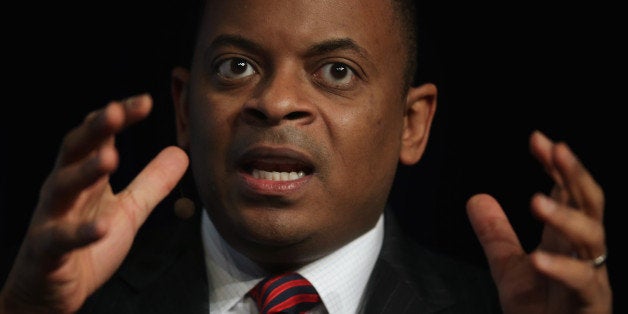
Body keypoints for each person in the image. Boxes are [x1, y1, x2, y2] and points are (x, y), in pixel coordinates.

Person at [0, 0, 613, 313]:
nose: (276, 101)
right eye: (236, 66)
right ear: (186, 110)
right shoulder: (73, 304)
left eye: (336, 71)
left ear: (411, 123)